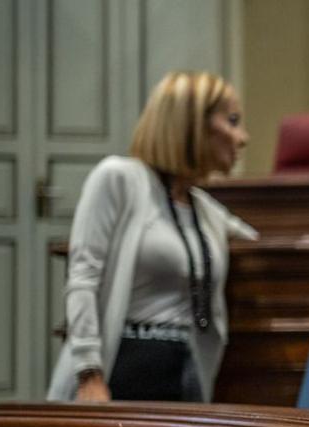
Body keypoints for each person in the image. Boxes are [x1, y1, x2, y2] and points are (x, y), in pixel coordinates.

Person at [47, 71, 258, 403]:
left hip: (184, 380)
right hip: (117, 376)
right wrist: (89, 374)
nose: (242, 137)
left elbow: (259, 244)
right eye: (232, 121)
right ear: (192, 124)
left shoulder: (204, 209)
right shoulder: (118, 179)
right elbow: (83, 278)